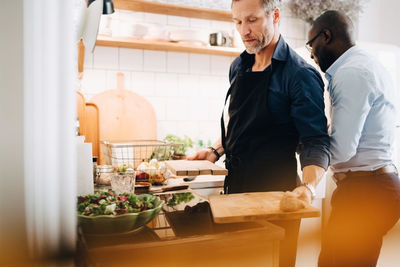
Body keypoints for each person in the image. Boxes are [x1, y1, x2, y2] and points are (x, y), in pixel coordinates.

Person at [188, 0, 330, 265]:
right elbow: (242, 123)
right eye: (238, 22)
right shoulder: (238, 67)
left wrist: (308, 187)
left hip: (276, 199)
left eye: (252, 20)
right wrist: (214, 151)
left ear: (275, 16)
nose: (244, 31)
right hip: (236, 194)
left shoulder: (299, 75)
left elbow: (316, 142)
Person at [306, 10, 400, 266]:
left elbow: (343, 149)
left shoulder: (351, 73)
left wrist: (307, 149)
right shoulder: (362, 65)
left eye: (310, 44)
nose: (311, 54)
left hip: (366, 192)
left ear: (326, 36)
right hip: (369, 187)